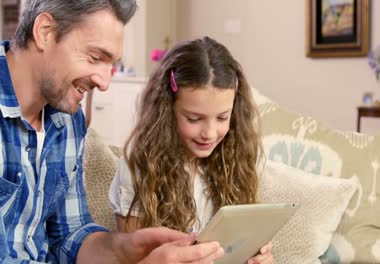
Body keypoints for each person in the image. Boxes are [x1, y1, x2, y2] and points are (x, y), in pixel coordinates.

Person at [0, 1, 225, 263]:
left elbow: (69, 236)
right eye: (95, 57)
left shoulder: (65, 116)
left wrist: (127, 248)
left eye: (111, 64)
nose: (104, 82)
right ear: (45, 32)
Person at [109, 36, 274, 264]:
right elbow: (132, 257)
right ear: (167, 110)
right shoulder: (139, 163)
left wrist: (257, 256)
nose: (210, 132)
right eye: (194, 118)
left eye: (222, 117)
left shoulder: (236, 157)